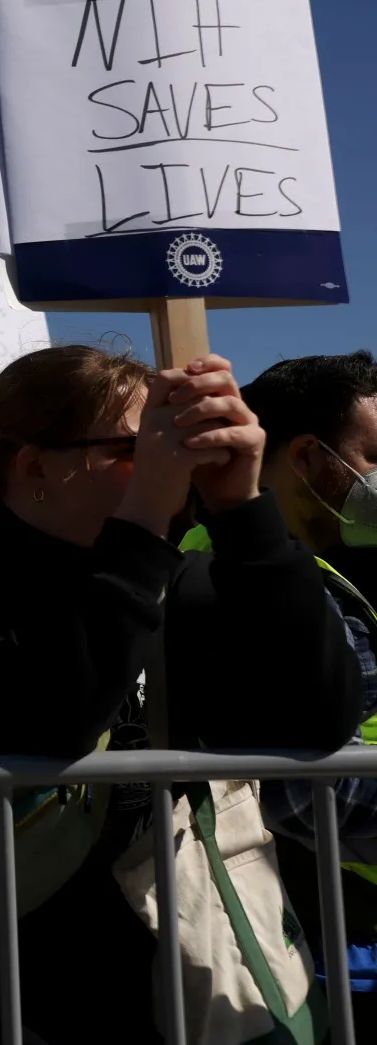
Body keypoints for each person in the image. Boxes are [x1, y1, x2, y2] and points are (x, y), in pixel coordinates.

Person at [0, 344, 363, 1041]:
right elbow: (55, 719)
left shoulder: (185, 579)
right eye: (136, 448)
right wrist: (144, 521)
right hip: (9, 976)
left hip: (187, 959)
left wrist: (243, 510)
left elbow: (318, 718)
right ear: (36, 467)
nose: (169, 463)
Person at [239, 352, 377, 1027]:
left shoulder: (345, 561)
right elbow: (301, 792)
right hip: (331, 933)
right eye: (374, 455)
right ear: (306, 457)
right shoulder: (237, 578)